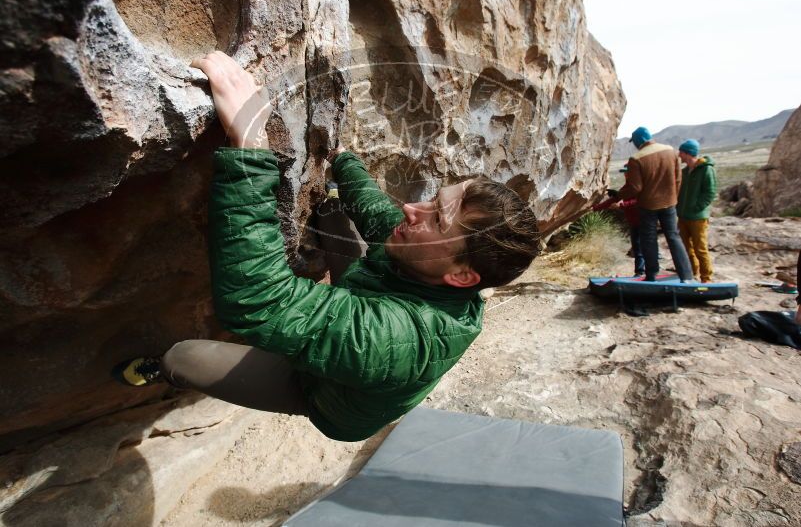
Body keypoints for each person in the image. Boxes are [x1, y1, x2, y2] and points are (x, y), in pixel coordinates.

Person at [112, 51, 541, 442]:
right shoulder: (428, 259)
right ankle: (314, 323)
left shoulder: (400, 340)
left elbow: (258, 298)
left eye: (436, 217)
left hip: (322, 396)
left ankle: (159, 369)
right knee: (333, 211)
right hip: (363, 316)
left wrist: (250, 145)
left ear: (462, 275)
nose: (413, 208)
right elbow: (375, 208)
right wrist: (340, 158)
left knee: (184, 357)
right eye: (433, 198)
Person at [619, 126, 694, 282]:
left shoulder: (637, 159)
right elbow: (678, 179)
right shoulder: (670, 151)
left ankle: (652, 274)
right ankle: (686, 275)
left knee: (649, 239)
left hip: (648, 206)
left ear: (638, 141)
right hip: (670, 203)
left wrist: (619, 196)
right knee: (674, 237)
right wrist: (674, 197)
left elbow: (635, 187)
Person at [676, 139, 717, 283]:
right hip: (683, 216)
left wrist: (697, 207)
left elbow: (710, 193)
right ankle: (692, 273)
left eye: (681, 152)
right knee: (686, 248)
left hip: (698, 217)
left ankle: (706, 278)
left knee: (700, 248)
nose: (679, 155)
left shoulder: (706, 169)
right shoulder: (685, 172)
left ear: (687, 153)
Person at [593, 167, 644, 276]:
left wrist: (621, 205)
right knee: (637, 246)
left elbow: (639, 201)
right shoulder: (627, 187)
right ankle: (640, 272)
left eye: (627, 172)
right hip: (633, 221)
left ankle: (642, 272)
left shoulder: (639, 186)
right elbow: (613, 200)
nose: (625, 175)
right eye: (625, 173)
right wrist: (595, 208)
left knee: (640, 247)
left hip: (643, 221)